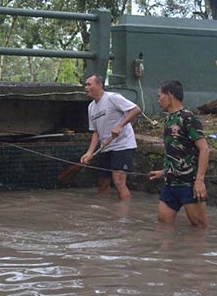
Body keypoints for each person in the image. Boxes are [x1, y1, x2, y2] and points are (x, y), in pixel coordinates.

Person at [149, 80, 209, 228]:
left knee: (199, 227)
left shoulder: (189, 118)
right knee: (163, 225)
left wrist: (199, 181)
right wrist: (164, 172)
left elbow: (204, 149)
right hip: (170, 183)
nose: (158, 100)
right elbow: (178, 152)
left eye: (160, 96)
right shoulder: (168, 119)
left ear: (169, 96)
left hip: (189, 183)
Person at [80, 74, 141, 200]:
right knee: (103, 183)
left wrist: (120, 126)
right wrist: (89, 152)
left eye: (89, 84)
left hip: (123, 145)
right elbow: (96, 132)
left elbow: (136, 110)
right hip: (105, 148)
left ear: (100, 85)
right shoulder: (91, 107)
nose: (86, 87)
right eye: (85, 84)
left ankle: (123, 217)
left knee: (119, 182)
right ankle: (104, 214)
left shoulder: (113, 98)